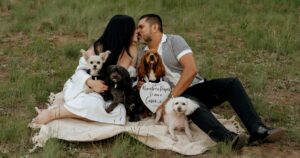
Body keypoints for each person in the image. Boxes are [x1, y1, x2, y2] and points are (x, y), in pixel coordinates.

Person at [136, 14, 284, 149]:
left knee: (231, 83)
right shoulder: (142, 55)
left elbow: (191, 69)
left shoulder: (174, 41)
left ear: (155, 27)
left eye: (141, 27)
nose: (138, 31)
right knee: (190, 103)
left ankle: (258, 129)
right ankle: (228, 139)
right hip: (173, 100)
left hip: (193, 87)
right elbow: (142, 82)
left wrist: (173, 96)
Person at [33, 15, 138, 125]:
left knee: (118, 112)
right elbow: (80, 70)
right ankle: (52, 114)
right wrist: (91, 82)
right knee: (92, 104)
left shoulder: (131, 50)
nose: (136, 32)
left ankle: (69, 112)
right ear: (124, 32)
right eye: (133, 29)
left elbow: (127, 76)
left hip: (112, 94)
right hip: (87, 85)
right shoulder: (100, 46)